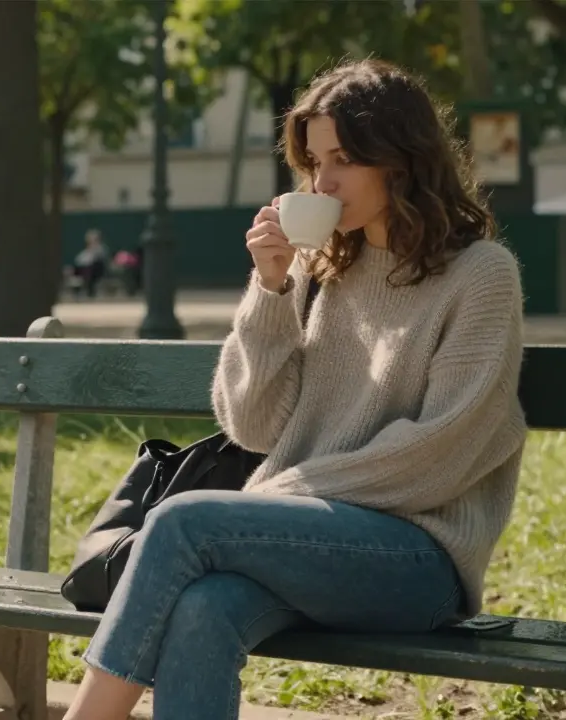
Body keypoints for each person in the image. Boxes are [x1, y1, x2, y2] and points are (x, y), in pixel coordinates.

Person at [63, 59, 527, 720]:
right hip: (301, 545)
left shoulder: (481, 275)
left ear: (401, 160)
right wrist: (271, 288)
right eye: (313, 163)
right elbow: (252, 427)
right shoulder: (319, 266)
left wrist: (283, 491)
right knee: (203, 609)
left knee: (181, 520)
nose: (322, 182)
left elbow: (440, 455)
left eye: (343, 160)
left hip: (416, 561)